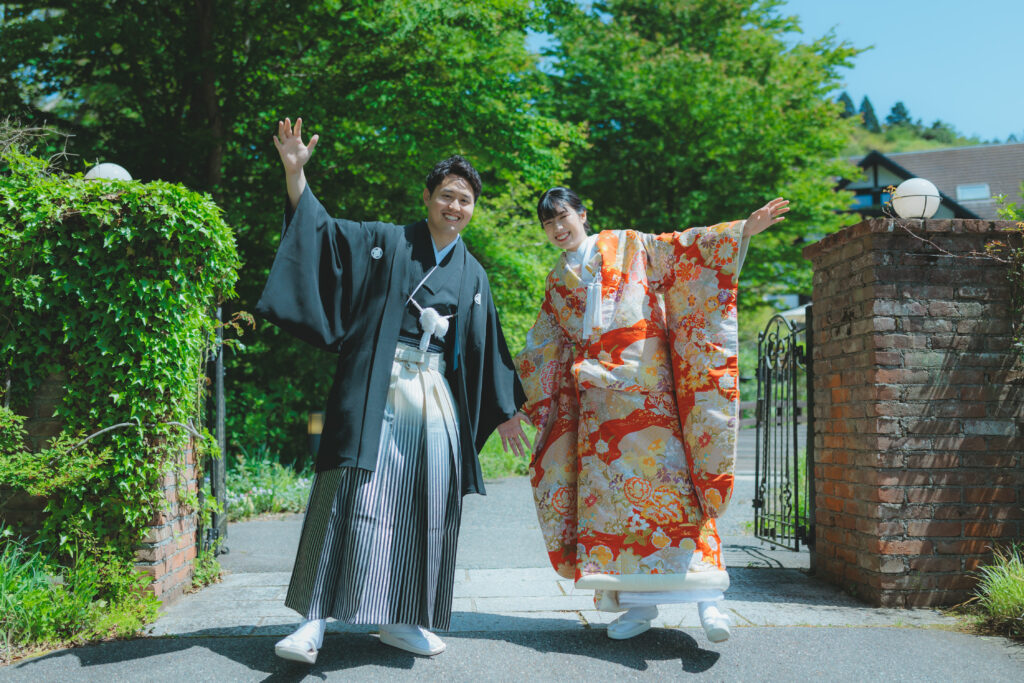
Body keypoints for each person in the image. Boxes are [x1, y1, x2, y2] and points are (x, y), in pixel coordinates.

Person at [256, 118, 526, 663]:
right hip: (373, 389)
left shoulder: (473, 274)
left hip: (434, 397)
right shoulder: (384, 241)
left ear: (473, 209)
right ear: (427, 197)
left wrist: (505, 410)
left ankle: (402, 619)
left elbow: (486, 348)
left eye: (465, 200)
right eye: (446, 195)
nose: (454, 206)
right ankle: (312, 622)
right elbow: (321, 233)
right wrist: (295, 174)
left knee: (426, 502)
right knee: (350, 494)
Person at [509, 187, 788, 643]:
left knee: (677, 491)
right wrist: (520, 398)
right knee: (616, 507)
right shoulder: (557, 280)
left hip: (650, 394)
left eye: (563, 217)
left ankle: (709, 599)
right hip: (599, 410)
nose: (558, 229)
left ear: (582, 214)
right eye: (549, 224)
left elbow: (683, 251)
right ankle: (637, 606)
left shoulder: (628, 243)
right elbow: (543, 345)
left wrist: (742, 231)